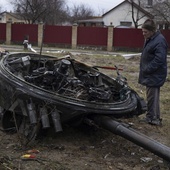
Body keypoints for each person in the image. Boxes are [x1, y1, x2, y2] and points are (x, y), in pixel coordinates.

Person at [138, 19, 168, 126]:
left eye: (145, 32)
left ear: (152, 31)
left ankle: (152, 118)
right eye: (142, 31)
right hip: (152, 74)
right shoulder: (151, 39)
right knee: (152, 96)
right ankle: (154, 117)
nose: (143, 34)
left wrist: (147, 69)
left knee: (152, 97)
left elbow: (159, 60)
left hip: (154, 74)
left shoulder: (159, 41)